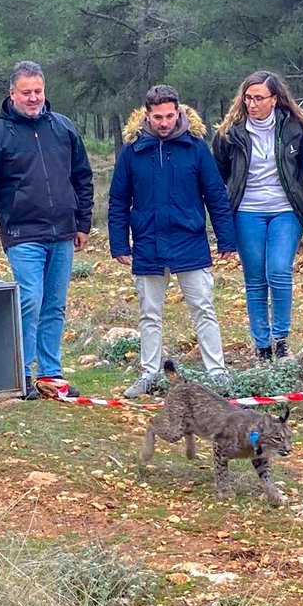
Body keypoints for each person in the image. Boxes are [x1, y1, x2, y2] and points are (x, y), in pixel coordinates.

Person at [0, 61, 94, 398]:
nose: (34, 97)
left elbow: (82, 177)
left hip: (63, 232)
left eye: (38, 91)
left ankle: (50, 373)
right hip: (22, 234)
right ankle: (20, 374)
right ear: (12, 94)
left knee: (55, 304)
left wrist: (82, 222)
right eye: (26, 92)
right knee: (29, 300)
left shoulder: (63, 127)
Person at [109, 85, 236, 398]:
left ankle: (218, 374)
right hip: (147, 244)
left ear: (178, 112)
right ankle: (149, 374)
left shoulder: (196, 147)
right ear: (147, 115)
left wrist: (226, 239)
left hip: (190, 242)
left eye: (169, 116)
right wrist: (119, 243)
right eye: (158, 117)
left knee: (204, 309)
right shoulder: (132, 150)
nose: (164, 122)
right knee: (149, 314)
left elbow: (215, 194)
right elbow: (118, 199)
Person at [213, 71, 303, 363]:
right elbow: (220, 172)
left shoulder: (295, 128)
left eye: (259, 98)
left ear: (275, 99)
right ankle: (262, 346)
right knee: (255, 278)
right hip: (247, 211)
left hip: (286, 209)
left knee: (279, 270)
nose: (252, 103)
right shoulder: (229, 133)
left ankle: (281, 340)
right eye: (248, 98)